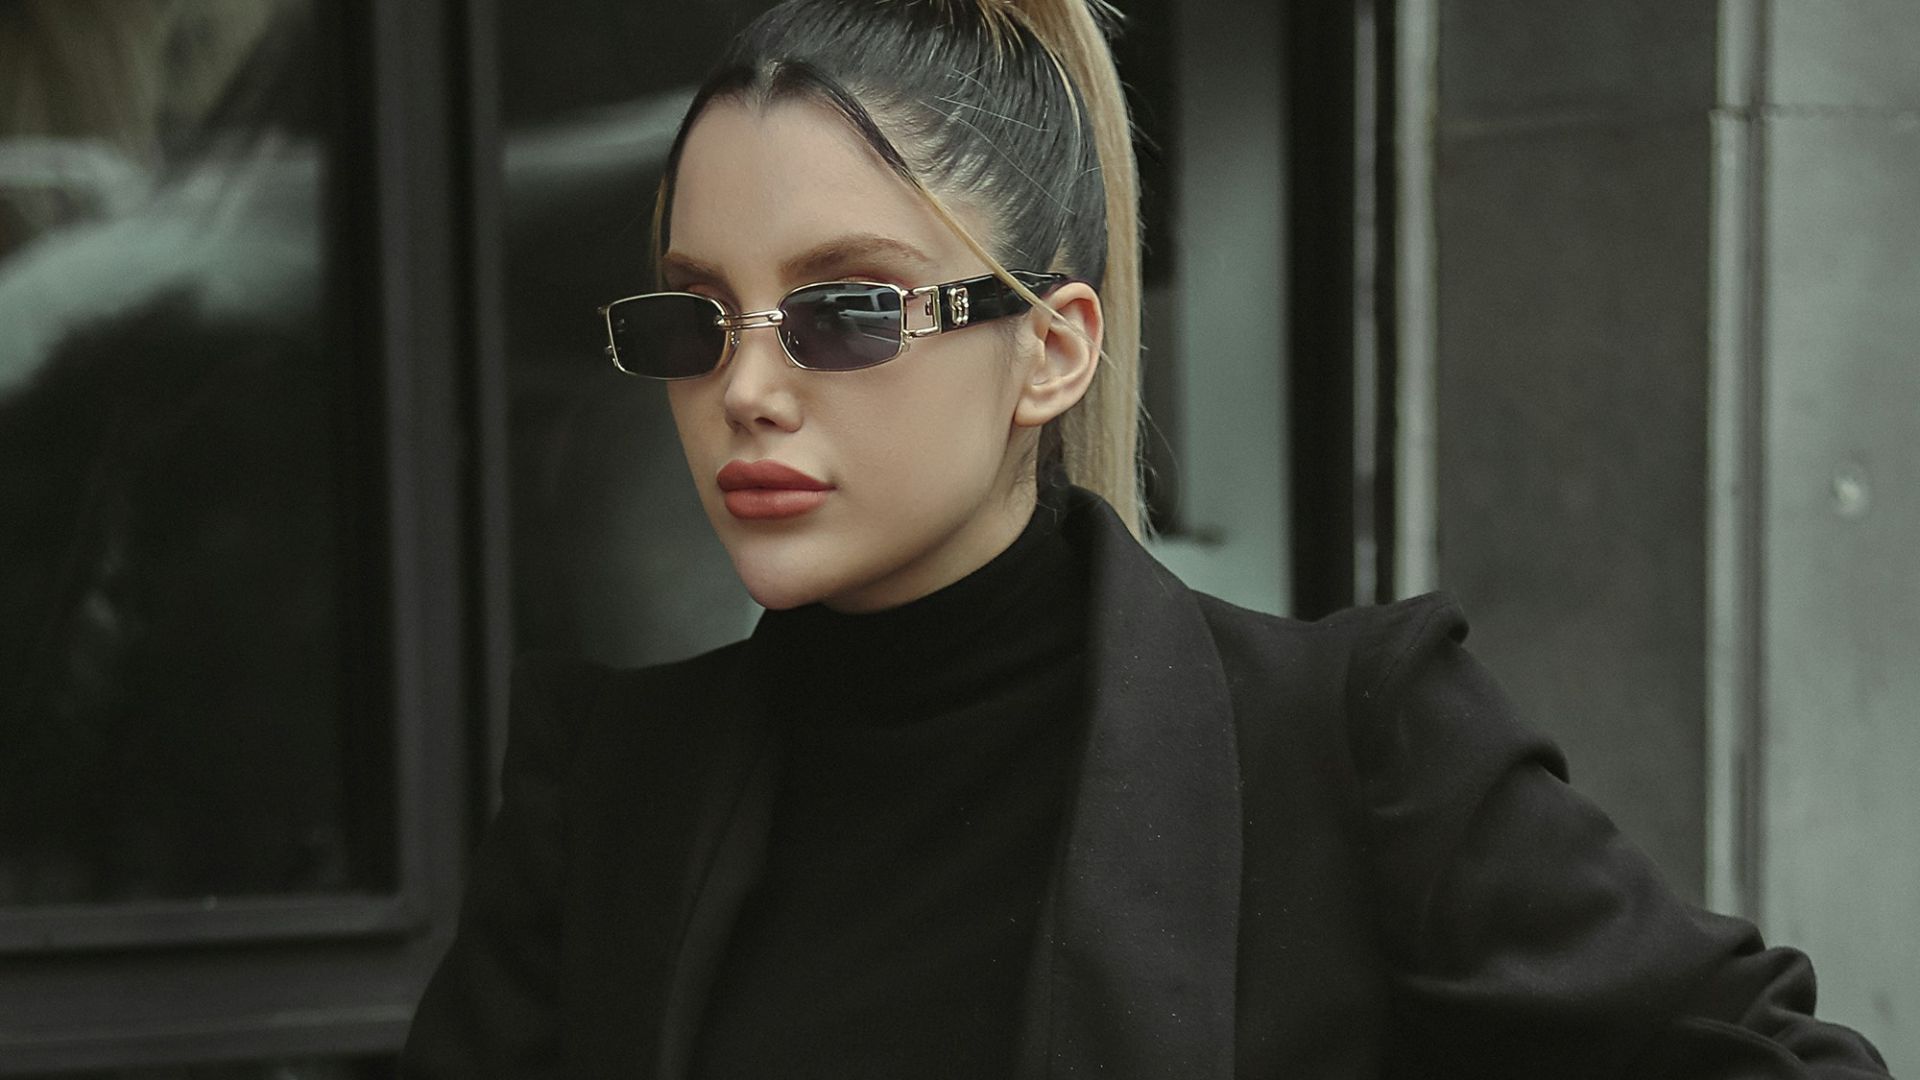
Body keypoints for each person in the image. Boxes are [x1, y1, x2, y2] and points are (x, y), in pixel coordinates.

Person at [400, 1, 1893, 1076]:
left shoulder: (1350, 746)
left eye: (847, 310)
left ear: (1052, 350)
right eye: (694, 315)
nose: (744, 388)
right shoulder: (612, 790)